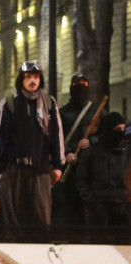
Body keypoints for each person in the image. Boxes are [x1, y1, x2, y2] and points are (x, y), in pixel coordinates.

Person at [0, 60, 65, 225]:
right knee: (14, 222)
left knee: (41, 221)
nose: (33, 81)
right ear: (21, 80)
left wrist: (57, 165)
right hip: (13, 172)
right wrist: (0, 168)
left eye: (36, 77)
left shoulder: (49, 103)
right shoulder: (8, 104)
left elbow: (56, 136)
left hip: (41, 171)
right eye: (28, 77)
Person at [74, 111, 131, 226]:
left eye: (123, 129)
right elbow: (81, 178)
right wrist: (91, 201)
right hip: (99, 207)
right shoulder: (92, 151)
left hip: (124, 206)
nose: (121, 133)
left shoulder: (128, 151)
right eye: (117, 129)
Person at [53, 73, 95, 225]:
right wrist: (67, 152)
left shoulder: (95, 111)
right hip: (70, 167)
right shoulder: (62, 113)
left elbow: (103, 135)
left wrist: (91, 141)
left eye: (84, 84)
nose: (81, 88)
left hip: (90, 167)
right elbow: (57, 138)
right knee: (70, 205)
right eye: (77, 85)